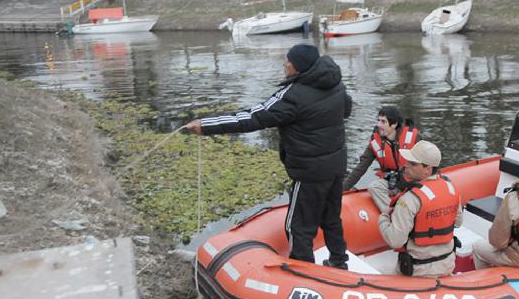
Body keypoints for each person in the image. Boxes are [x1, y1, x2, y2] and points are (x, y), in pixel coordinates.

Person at [185, 43, 352, 269]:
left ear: (299, 67)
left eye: (288, 61)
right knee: (331, 218)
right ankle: (339, 262)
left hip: (311, 171)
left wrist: (206, 125)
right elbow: (346, 111)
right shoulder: (336, 84)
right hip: (336, 164)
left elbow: (252, 117)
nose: (285, 64)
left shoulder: (293, 96)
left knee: (298, 226)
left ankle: (305, 274)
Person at [378, 140, 462, 277]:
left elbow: (395, 241)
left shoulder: (410, 199)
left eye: (413, 164)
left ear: (428, 169)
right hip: (447, 264)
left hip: (417, 270)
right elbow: (458, 222)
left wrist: (383, 218)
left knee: (378, 274)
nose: (406, 165)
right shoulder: (451, 189)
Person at [343, 106, 419, 213]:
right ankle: (394, 215)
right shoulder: (375, 143)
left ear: (394, 124)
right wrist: (342, 190)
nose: (379, 125)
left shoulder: (412, 138)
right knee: (374, 187)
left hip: (413, 181)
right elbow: (360, 168)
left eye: (383, 121)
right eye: (378, 120)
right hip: (392, 182)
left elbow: (426, 164)